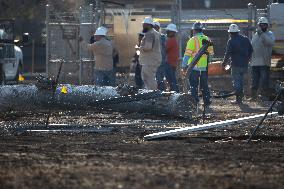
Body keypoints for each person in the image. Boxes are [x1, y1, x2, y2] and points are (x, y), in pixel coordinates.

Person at [181, 22, 214, 108]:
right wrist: (207, 62)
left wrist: (184, 66)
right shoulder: (208, 39)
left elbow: (187, 55)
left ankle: (195, 102)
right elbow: (211, 55)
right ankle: (207, 102)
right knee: (204, 85)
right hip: (204, 68)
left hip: (194, 67)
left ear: (194, 30)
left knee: (193, 85)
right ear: (202, 29)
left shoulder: (193, 40)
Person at [222, 24, 253, 104]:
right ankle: (240, 99)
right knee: (241, 81)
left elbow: (227, 53)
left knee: (237, 82)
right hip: (244, 64)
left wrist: (224, 63)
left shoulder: (231, 41)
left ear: (230, 33)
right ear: (237, 31)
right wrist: (248, 59)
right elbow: (251, 50)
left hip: (235, 65)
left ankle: (238, 99)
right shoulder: (245, 39)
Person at [250, 17, 275, 100]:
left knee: (264, 80)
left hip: (264, 62)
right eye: (261, 25)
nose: (262, 26)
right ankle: (254, 96)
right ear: (259, 25)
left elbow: (270, 43)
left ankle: (264, 96)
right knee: (254, 80)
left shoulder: (270, 34)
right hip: (255, 62)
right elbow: (252, 46)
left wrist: (262, 34)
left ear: (267, 26)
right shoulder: (255, 35)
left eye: (264, 25)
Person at [139, 17, 162, 90]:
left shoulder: (149, 34)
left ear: (149, 25)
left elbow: (148, 47)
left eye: (145, 25)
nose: (143, 26)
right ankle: (150, 92)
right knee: (147, 77)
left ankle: (152, 94)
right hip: (153, 60)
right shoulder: (155, 33)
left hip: (149, 61)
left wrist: (139, 48)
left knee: (149, 78)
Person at [165, 23, 179, 92]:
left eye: (168, 32)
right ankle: (174, 92)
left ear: (172, 32)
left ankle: (175, 93)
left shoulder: (171, 41)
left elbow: (165, 49)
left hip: (169, 64)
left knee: (172, 81)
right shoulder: (173, 40)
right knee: (171, 80)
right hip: (172, 64)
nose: (167, 33)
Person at [153, 21, 167, 91]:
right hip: (156, 62)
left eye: (156, 27)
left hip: (160, 62)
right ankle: (161, 92)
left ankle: (162, 92)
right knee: (158, 79)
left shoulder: (162, 37)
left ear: (158, 28)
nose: (155, 29)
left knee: (159, 79)